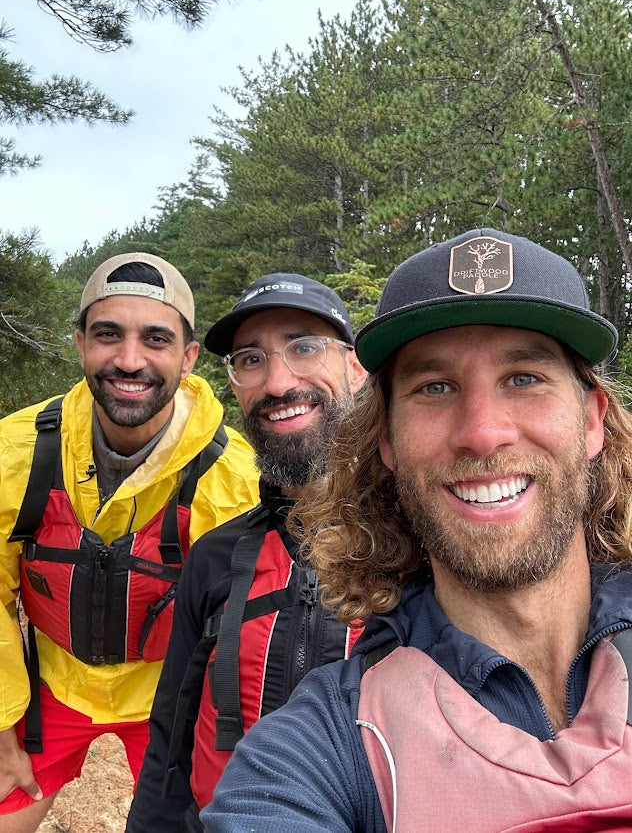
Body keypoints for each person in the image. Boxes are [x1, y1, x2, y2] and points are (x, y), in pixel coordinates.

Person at [200, 229, 632, 832]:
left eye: (524, 378)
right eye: (434, 388)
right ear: (388, 442)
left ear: (591, 421)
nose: (482, 433)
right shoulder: (330, 741)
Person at [0, 252, 259, 832]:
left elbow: (245, 630)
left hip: (172, 701)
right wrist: (0, 727)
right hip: (51, 688)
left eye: (156, 339)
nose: (129, 359)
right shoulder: (15, 453)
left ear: (189, 357)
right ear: (80, 343)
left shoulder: (232, 478)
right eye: (108, 335)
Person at [126, 272, 367, 832]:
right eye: (251, 359)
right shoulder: (215, 558)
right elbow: (171, 740)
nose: (277, 382)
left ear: (356, 367)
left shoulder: (424, 546)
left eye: (305, 347)